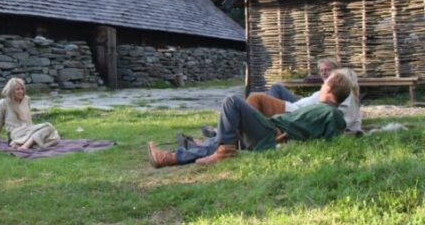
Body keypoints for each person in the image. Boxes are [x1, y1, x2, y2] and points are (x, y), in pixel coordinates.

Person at [148, 68, 351, 167]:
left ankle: (224, 151)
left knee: (232, 102)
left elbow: (331, 142)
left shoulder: (333, 115)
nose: (322, 85)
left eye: (325, 83)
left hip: (273, 133)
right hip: (271, 128)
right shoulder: (322, 107)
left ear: (331, 90)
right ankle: (170, 157)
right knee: (223, 139)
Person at [247, 59, 362, 134]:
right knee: (272, 91)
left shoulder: (340, 95)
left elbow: (326, 114)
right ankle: (256, 126)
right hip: (300, 106)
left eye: (329, 71)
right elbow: (354, 123)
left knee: (256, 98)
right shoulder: (351, 99)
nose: (324, 73)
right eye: (322, 70)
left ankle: (254, 130)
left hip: (296, 110)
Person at [0, 78, 61, 150]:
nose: (21, 91)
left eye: (22, 89)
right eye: (17, 89)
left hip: (29, 129)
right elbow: (0, 123)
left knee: (55, 138)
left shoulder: (27, 99)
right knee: (48, 126)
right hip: (16, 132)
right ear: (11, 91)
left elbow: (29, 119)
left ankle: (21, 143)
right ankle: (26, 146)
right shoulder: (4, 103)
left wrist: (36, 129)